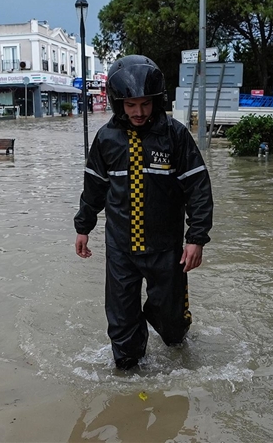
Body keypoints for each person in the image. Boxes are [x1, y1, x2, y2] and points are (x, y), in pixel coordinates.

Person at [74, 55, 214, 371]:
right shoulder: (106, 139)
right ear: (118, 103)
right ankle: (128, 375)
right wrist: (83, 227)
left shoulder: (175, 135)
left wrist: (196, 238)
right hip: (120, 248)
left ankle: (169, 332)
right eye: (131, 105)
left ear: (156, 101)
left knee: (173, 326)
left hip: (166, 248)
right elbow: (94, 188)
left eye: (145, 104)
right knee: (122, 323)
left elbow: (198, 188)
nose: (139, 112)